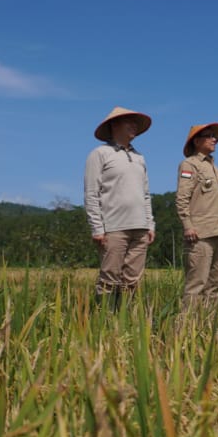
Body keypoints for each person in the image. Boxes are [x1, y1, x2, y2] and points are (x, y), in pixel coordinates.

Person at [84, 106, 155, 307]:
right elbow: (91, 193)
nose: (134, 126)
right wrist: (97, 228)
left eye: (135, 123)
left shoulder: (140, 157)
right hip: (113, 227)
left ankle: (124, 319)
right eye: (129, 122)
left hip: (140, 227)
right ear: (115, 125)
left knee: (132, 280)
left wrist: (150, 224)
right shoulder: (100, 154)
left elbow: (145, 194)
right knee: (109, 278)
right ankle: (104, 319)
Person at [175, 122, 218, 307]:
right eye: (209, 136)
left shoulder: (215, 168)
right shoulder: (189, 165)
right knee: (196, 284)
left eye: (214, 136)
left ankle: (210, 322)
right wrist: (187, 225)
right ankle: (187, 323)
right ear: (196, 141)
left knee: (215, 284)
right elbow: (182, 198)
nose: (214, 139)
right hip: (199, 233)